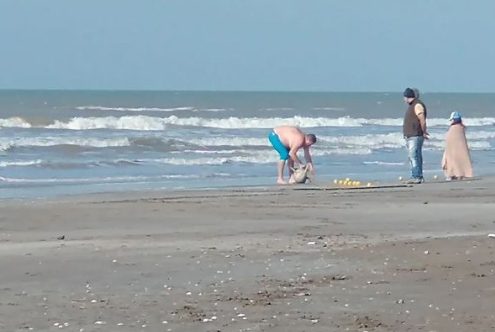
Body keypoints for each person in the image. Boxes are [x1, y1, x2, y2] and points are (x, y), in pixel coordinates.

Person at [402, 87, 428, 184]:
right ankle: (418, 175)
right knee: (415, 156)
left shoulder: (417, 105)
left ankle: (416, 176)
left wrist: (424, 131)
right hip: (411, 135)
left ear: (407, 97)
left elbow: (422, 118)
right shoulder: (413, 105)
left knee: (414, 156)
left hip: (415, 135)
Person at [441, 111, 473, 180]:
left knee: (451, 158)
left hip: (451, 148)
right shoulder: (461, 128)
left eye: (452, 119)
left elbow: (449, 139)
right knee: (461, 158)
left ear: (454, 120)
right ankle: (461, 173)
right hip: (460, 148)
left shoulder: (453, 128)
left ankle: (452, 174)